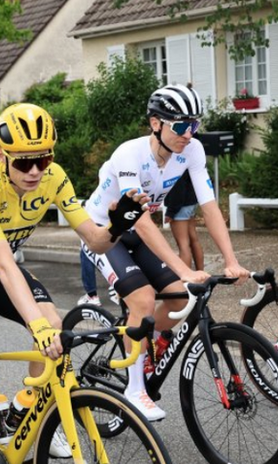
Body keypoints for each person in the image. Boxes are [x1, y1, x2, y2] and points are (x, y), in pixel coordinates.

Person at [0, 103, 145, 464]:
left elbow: (95, 240)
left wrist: (118, 224)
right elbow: (4, 263)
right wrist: (37, 326)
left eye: (42, 159)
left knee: (55, 327)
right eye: (24, 162)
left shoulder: (54, 179)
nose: (34, 171)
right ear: (1, 156)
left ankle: (23, 407)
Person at [83, 85, 250, 421]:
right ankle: (134, 390)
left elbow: (209, 206)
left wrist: (231, 260)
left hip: (137, 231)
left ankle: (146, 337)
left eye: (195, 125)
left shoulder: (192, 151)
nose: (188, 134)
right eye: (180, 126)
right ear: (156, 124)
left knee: (177, 298)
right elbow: (142, 221)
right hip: (105, 232)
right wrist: (183, 268)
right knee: (144, 299)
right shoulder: (128, 155)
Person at [163, 171, 204, 271]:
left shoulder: (176, 162)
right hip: (191, 201)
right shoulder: (187, 159)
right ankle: (201, 272)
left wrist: (171, 212)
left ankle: (186, 278)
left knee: (183, 244)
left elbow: (177, 188)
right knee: (194, 239)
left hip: (181, 205)